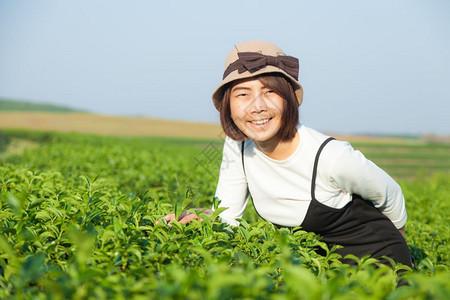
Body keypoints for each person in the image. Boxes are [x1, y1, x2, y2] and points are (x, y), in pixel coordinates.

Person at [159, 40, 412, 268]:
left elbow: (391, 194)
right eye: (243, 94)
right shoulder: (238, 145)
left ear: (288, 98)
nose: (257, 107)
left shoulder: (332, 157)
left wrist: (401, 255)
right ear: (228, 105)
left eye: (269, 91)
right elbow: (226, 217)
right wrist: (195, 219)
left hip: (378, 266)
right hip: (319, 270)